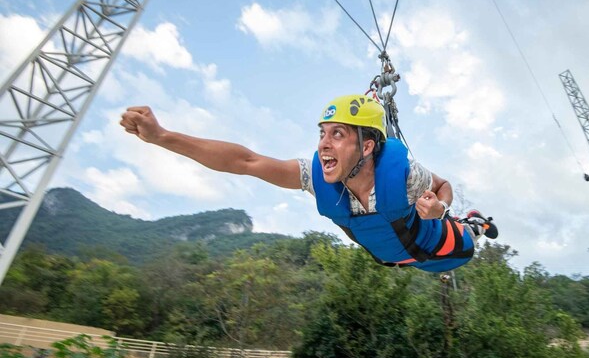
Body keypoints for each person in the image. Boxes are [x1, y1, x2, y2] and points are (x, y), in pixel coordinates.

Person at [119, 94, 497, 272]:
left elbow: (443, 185)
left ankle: (475, 222)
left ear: (367, 146)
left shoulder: (404, 176)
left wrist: (440, 208)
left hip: (440, 249)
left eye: (337, 134)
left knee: (467, 240)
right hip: (399, 260)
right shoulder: (317, 180)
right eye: (322, 133)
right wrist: (162, 137)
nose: (323, 144)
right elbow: (246, 161)